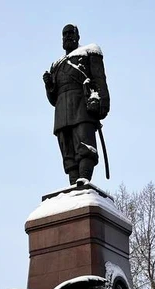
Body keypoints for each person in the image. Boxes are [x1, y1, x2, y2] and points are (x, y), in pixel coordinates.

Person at [43, 24, 110, 185]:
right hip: (62, 110)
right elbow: (53, 100)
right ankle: (73, 184)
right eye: (64, 34)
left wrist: (102, 103)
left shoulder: (89, 52)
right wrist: (49, 86)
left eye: (70, 33)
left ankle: (84, 177)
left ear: (77, 36)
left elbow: (100, 80)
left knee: (84, 144)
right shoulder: (56, 65)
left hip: (81, 106)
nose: (67, 36)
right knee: (67, 150)